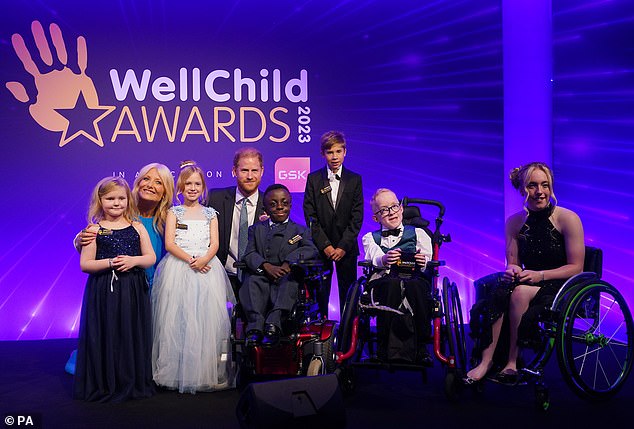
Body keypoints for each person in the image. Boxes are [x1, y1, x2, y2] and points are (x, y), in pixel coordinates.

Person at [465, 162, 584, 384]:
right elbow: (513, 262)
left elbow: (576, 267)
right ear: (522, 190)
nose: (540, 191)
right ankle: (486, 361)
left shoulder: (568, 219)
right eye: (532, 185)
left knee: (519, 293)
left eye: (545, 185)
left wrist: (540, 275)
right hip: (528, 280)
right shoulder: (514, 222)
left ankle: (512, 361)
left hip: (560, 282)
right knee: (500, 289)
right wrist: (512, 271)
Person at [67, 163, 174, 375]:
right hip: (121, 287)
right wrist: (80, 239)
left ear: (165, 191)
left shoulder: (167, 219)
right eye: (146, 178)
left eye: (158, 182)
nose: (150, 185)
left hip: (155, 287)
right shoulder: (121, 209)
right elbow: (91, 241)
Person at [152, 161, 235, 393]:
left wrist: (204, 259)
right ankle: (177, 372)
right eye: (188, 183)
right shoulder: (174, 212)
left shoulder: (210, 213)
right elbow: (169, 243)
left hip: (207, 269)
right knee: (178, 320)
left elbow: (215, 243)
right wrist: (191, 260)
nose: (192, 187)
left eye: (197, 183)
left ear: (203, 187)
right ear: (180, 186)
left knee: (205, 321)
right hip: (179, 269)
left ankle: (203, 372)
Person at [74, 177, 156, 402]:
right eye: (110, 198)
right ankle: (106, 382)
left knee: (130, 334)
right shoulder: (94, 229)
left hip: (132, 289)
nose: (116, 203)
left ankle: (129, 379)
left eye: (121, 198)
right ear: (100, 200)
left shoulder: (137, 226)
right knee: (107, 334)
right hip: (103, 290)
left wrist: (133, 261)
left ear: (128, 199)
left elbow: (150, 257)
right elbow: (85, 264)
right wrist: (111, 262)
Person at [239, 184, 319, 347]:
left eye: (284, 203)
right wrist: (265, 265)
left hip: (285, 274)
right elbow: (249, 253)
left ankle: (273, 325)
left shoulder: (300, 231)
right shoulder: (256, 229)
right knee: (251, 282)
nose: (280, 207)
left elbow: (310, 249)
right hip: (262, 273)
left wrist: (289, 262)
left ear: (290, 204)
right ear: (265, 208)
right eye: (273, 204)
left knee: (290, 282)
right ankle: (255, 328)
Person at [361, 188, 433, 365]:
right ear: (376, 218)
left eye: (394, 206)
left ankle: (421, 347)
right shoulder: (370, 237)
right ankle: (384, 346)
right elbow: (373, 257)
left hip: (414, 278)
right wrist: (384, 259)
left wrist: (421, 260)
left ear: (401, 208)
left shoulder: (419, 233)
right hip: (385, 279)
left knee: (416, 287)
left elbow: (428, 260)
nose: (391, 212)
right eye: (384, 210)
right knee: (391, 285)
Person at [303, 131, 363, 317]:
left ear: (345, 152)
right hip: (322, 249)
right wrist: (326, 245)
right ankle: (322, 335)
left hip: (347, 249)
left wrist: (343, 246)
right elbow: (310, 215)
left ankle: (348, 336)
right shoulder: (314, 179)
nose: (334, 156)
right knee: (320, 293)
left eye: (338, 151)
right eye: (330, 152)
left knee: (348, 292)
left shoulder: (354, 179)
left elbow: (357, 216)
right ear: (323, 154)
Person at [206, 147, 267, 295]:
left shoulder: (270, 204)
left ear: (262, 171)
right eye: (244, 170)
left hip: (258, 280)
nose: (250, 176)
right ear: (234, 171)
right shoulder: (215, 198)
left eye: (255, 170)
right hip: (221, 278)